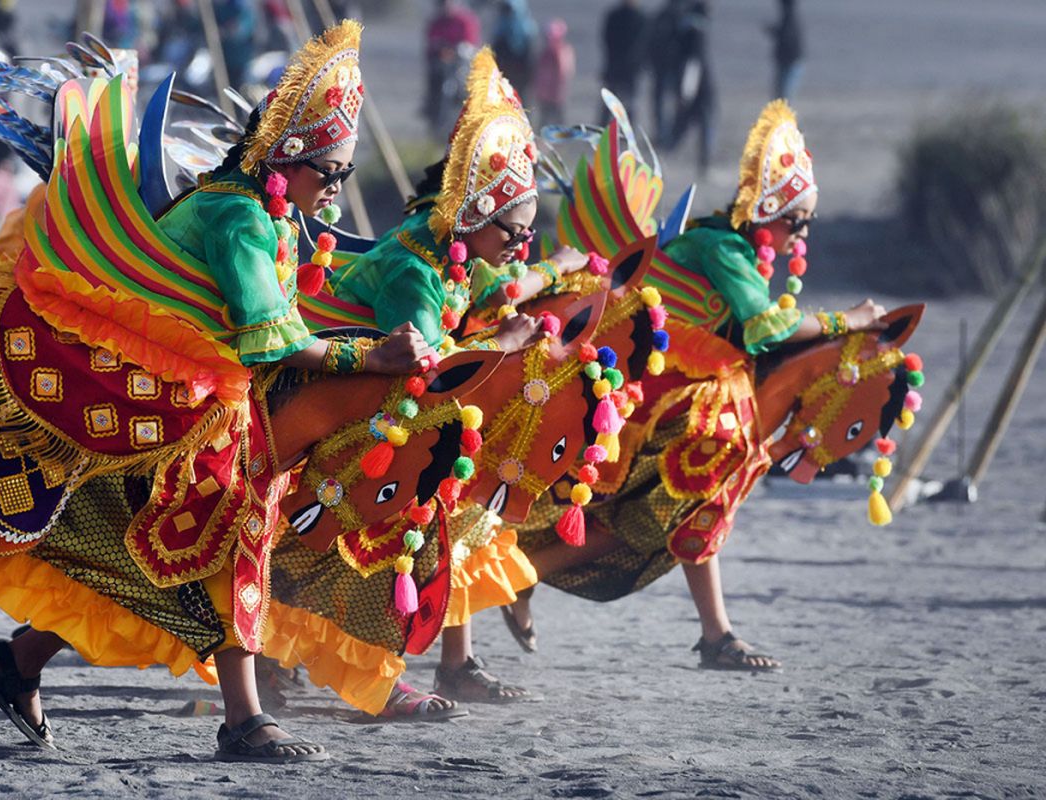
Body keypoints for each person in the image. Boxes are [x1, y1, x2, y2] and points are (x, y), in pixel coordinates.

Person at [0, 20, 432, 763]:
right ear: (286, 158)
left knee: (145, 560)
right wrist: (368, 353)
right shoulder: (241, 215)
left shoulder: (273, 217)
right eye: (333, 173)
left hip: (201, 408)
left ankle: (16, 664)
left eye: (347, 176)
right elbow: (268, 336)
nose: (339, 192)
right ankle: (243, 719)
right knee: (225, 549)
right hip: (167, 408)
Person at [267, 49, 593, 719]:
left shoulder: (454, 250)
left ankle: (455, 663)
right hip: (321, 408)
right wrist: (500, 342)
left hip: (373, 407)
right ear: (475, 216)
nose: (522, 246)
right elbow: (427, 365)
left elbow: (501, 288)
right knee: (417, 499)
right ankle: (371, 677)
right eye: (517, 232)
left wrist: (553, 272)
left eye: (531, 235)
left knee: (458, 494)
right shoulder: (417, 264)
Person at [508, 100, 889, 671]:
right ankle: (517, 576)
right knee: (659, 515)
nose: (800, 235)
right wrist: (848, 322)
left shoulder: (740, 254)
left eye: (807, 223)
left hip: (691, 400)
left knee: (680, 510)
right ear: (768, 210)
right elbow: (767, 326)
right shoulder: (723, 248)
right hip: (661, 400)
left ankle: (713, 633)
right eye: (797, 220)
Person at [663, 0, 716, 174]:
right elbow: (693, 64)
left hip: (691, 88)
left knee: (683, 125)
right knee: (703, 123)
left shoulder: (683, 29)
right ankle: (704, 163)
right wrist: (686, 93)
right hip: (699, 90)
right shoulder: (695, 33)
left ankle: (668, 153)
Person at [423, 0, 481, 133]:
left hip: (461, 66)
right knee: (436, 86)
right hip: (441, 66)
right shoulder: (436, 22)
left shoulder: (465, 20)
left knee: (463, 89)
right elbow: (431, 44)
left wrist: (457, 50)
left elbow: (470, 45)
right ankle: (433, 114)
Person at [599, 0, 651, 125]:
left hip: (630, 68)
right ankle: (603, 131)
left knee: (629, 103)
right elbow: (607, 41)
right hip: (617, 65)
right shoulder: (615, 16)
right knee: (609, 101)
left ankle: (625, 132)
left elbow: (645, 44)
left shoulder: (641, 18)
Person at [490, 0, 538, 101]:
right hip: (504, 75)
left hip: (521, 75)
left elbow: (530, 57)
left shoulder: (526, 30)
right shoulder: (500, 29)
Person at [534, 18, 574, 128]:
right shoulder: (560, 50)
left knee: (554, 117)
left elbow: (562, 71)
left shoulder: (557, 52)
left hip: (554, 92)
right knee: (548, 117)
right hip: (550, 92)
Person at [769, 0, 805, 100]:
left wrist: (776, 32)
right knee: (781, 95)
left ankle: (782, 115)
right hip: (788, 59)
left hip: (791, 60)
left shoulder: (789, 17)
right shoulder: (788, 17)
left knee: (784, 95)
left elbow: (788, 38)